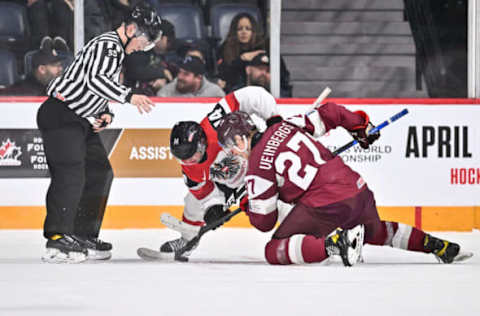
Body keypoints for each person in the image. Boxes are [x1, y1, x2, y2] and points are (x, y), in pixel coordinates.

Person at [216, 107, 474, 266]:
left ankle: (335, 244)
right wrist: (360, 128)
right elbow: (331, 112)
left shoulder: (256, 167)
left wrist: (248, 204)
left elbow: (264, 222)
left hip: (326, 204)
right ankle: (435, 245)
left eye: (230, 146)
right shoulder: (287, 124)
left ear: (240, 138)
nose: (232, 153)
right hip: (358, 189)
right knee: (375, 231)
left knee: (274, 250)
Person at [36, 3, 164, 263]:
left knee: (100, 172)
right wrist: (129, 96)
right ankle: (58, 239)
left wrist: (105, 113)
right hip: (61, 115)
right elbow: (95, 80)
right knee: (71, 172)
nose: (144, 47)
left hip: (79, 118)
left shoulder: (116, 51)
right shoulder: (108, 45)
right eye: (144, 40)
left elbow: (95, 87)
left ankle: (83, 235)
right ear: (130, 29)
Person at [158, 86, 280, 258]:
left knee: (283, 202)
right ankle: (188, 239)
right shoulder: (190, 170)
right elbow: (204, 192)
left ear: (201, 144)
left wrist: (274, 120)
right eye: (182, 159)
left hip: (260, 158)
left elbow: (254, 95)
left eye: (191, 156)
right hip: (233, 182)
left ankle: (309, 235)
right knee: (192, 201)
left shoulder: (214, 123)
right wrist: (213, 208)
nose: (188, 162)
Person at [216, 12, 266, 93]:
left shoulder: (262, 47)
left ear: (254, 31)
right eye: (239, 29)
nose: (244, 32)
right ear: (234, 32)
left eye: (248, 28)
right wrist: (241, 59)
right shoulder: (225, 48)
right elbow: (223, 76)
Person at [157, 55, 225, 97]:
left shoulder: (215, 93)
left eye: (186, 74)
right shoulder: (166, 93)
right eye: (179, 72)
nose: (180, 77)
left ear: (198, 78)